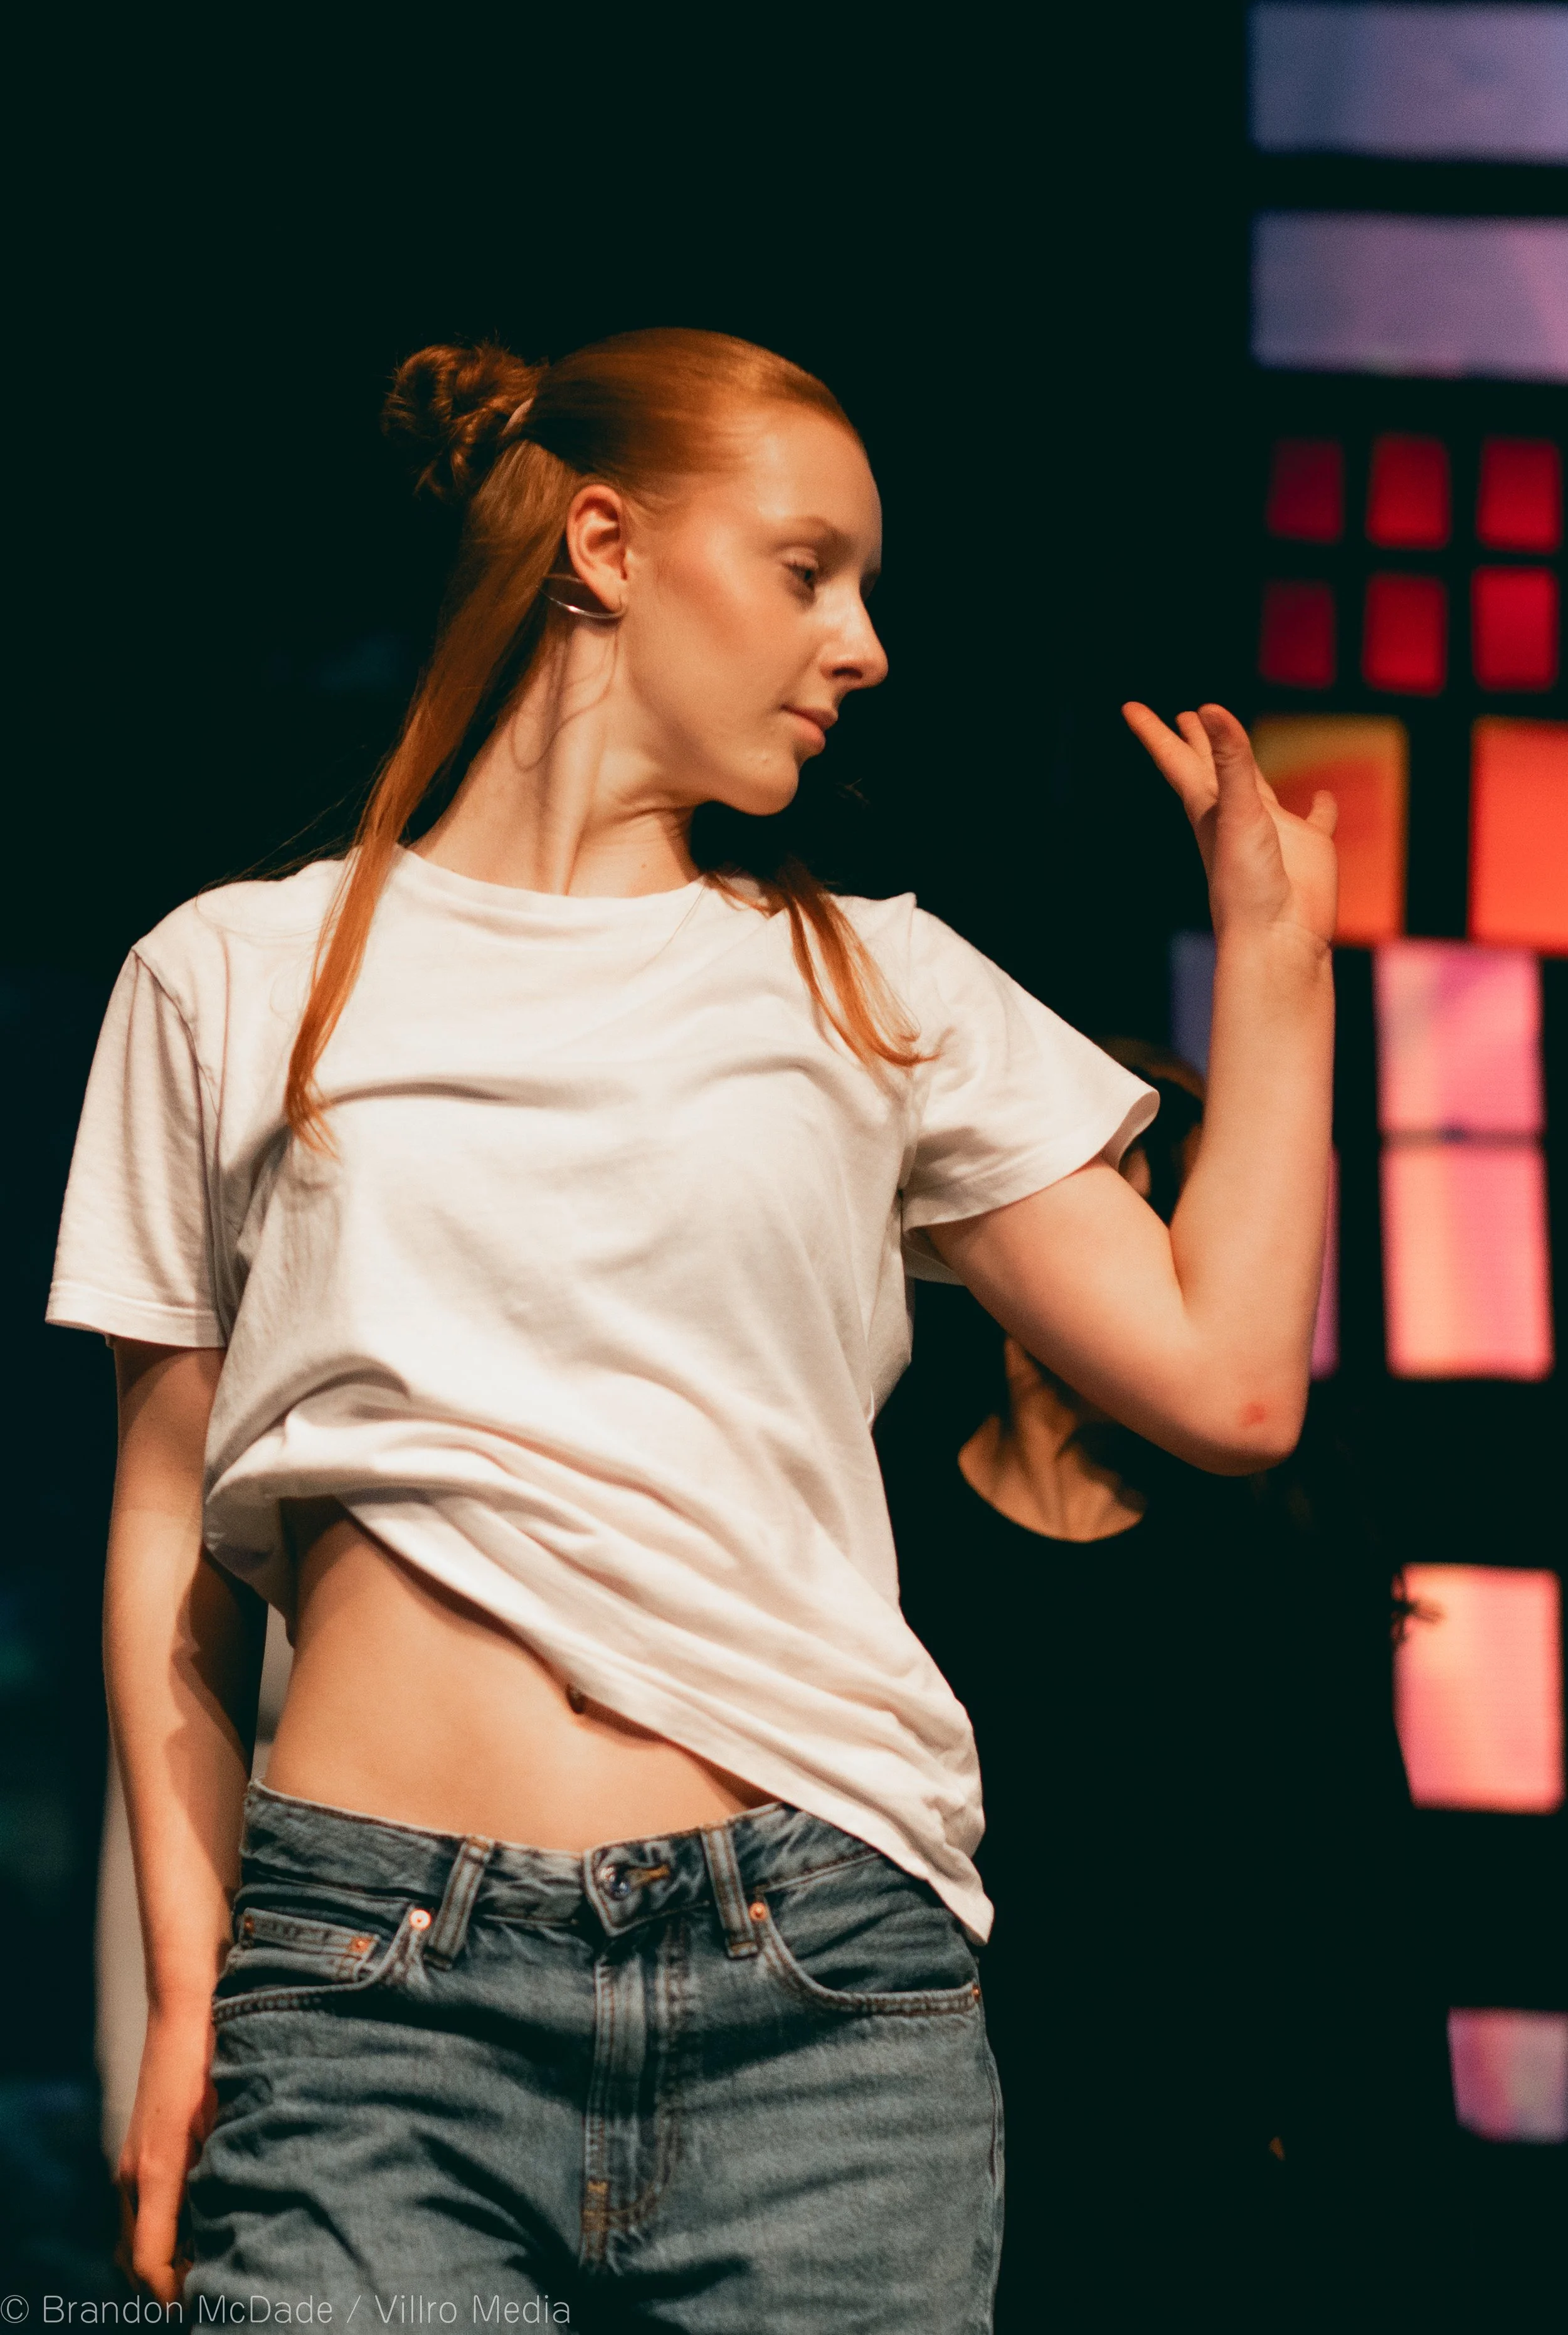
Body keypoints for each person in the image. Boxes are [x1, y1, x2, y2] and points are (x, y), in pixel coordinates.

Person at [48, 327, 1337, 2325]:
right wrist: (191, 1990)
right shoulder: (235, 973)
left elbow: (1228, 1382)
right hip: (372, 1998)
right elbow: (164, 1535)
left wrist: (1277, 960)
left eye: (869, 591)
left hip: (816, 1996)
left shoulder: (869, 977)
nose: (864, 645)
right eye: (809, 568)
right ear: (604, 543)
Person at [882, 1044, 1456, 2329]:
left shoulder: (1274, 1558)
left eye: (1159, 1216)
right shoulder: (880, 1545)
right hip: (940, 2226)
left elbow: (1365, 1954)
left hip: (1212, 2244)